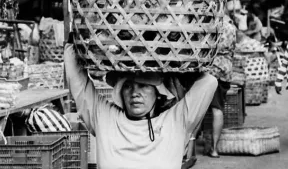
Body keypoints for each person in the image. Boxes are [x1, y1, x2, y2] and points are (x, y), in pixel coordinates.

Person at [64, 41, 217, 169]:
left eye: (143, 86)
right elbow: (77, 78)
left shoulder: (175, 121)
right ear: (121, 92)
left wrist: (180, 69)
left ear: (158, 93)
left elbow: (209, 82)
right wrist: (73, 43)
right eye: (128, 86)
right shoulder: (104, 117)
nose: (135, 93)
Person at [205, 14, 237, 158]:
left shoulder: (210, 26)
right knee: (218, 108)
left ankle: (194, 147)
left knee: (200, 108)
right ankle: (213, 148)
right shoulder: (231, 28)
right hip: (225, 70)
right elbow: (234, 49)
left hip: (211, 69)